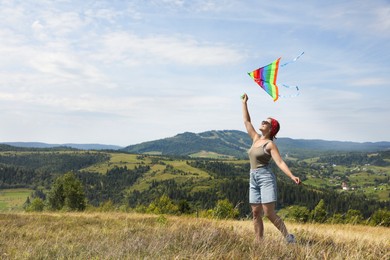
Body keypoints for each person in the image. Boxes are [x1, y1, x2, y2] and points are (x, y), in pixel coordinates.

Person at [241, 93, 301, 243]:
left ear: (271, 129)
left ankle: (289, 238)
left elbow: (280, 162)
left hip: (265, 177)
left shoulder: (269, 144)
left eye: (266, 122)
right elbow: (247, 121)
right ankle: (259, 242)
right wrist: (244, 103)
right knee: (255, 213)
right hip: (253, 177)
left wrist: (291, 176)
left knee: (269, 213)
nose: (262, 122)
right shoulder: (256, 138)